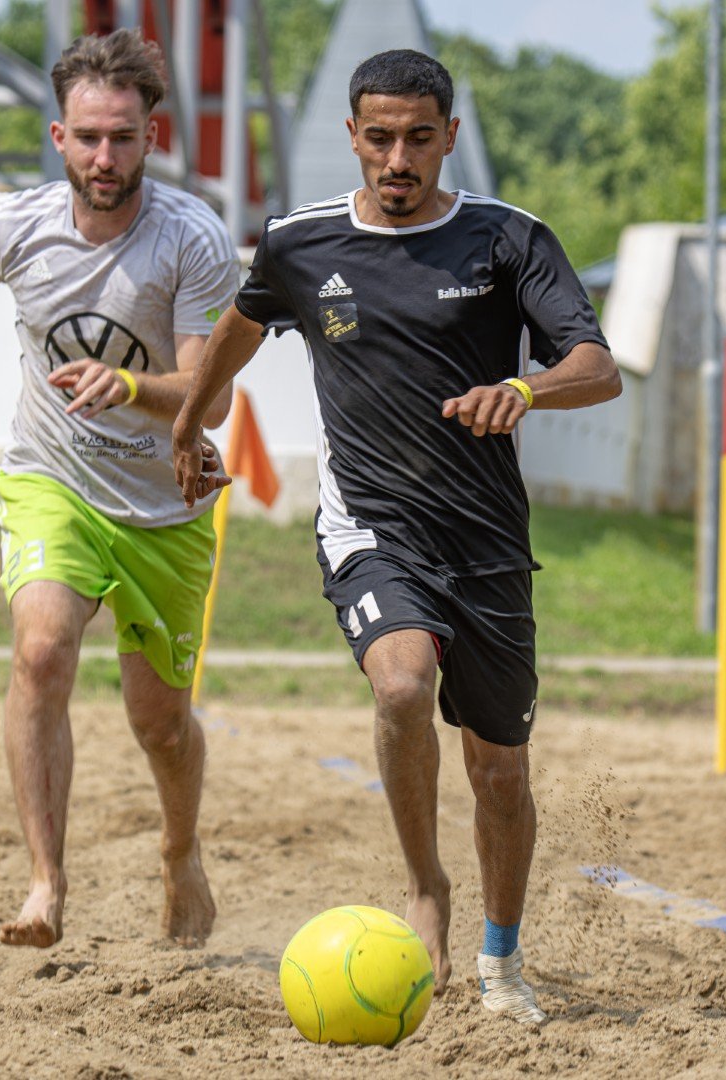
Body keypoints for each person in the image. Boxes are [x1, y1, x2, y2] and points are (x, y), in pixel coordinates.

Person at [172, 49, 621, 1025]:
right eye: (379, 138)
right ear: (352, 137)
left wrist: (526, 387)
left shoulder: (508, 239)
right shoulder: (300, 244)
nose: (398, 158)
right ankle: (425, 886)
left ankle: (502, 959)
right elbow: (242, 324)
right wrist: (190, 421)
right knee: (403, 685)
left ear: (450, 136)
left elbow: (597, 366)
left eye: (419, 138)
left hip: (489, 544)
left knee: (499, 772)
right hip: (371, 526)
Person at [0, 29, 238, 950]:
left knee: (159, 724)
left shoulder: (192, 239)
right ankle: (44, 886)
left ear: (150, 137)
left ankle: (180, 853)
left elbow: (207, 397)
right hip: (50, 480)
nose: (105, 157)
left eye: (123, 138)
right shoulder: (11, 225)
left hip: (164, 508)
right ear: (59, 136)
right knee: (42, 650)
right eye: (88, 137)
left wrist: (129, 385)